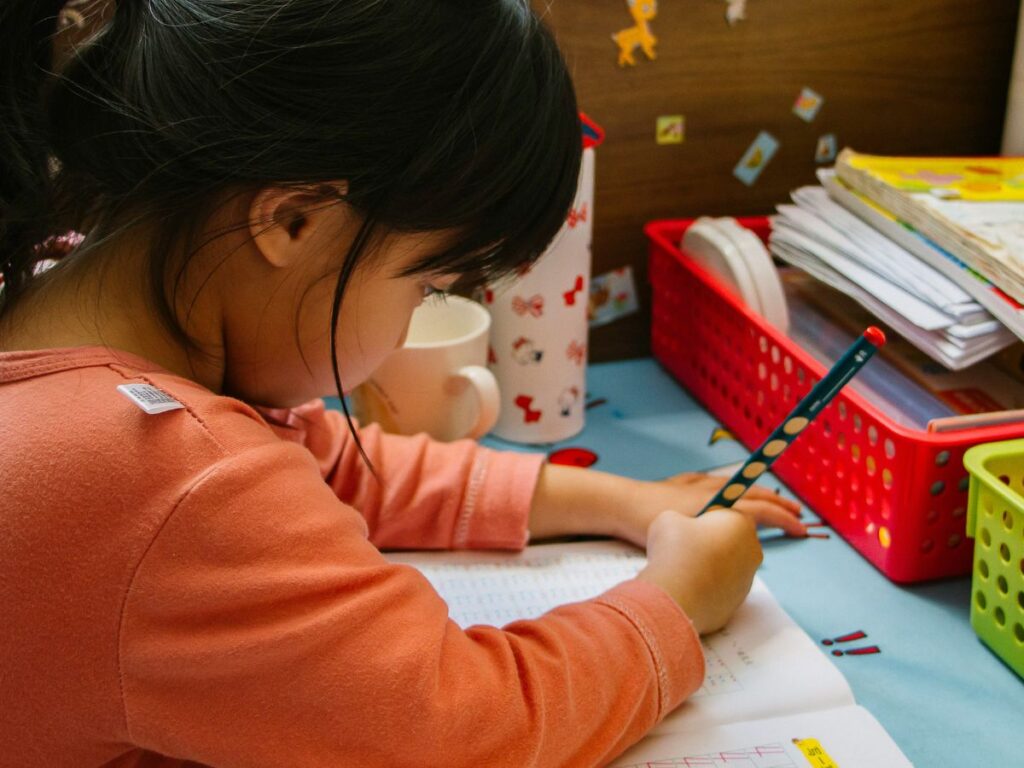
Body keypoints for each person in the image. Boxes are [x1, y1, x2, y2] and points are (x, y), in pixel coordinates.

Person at [0, 2, 805, 766]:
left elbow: (325, 463)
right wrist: (676, 603)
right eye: (428, 287)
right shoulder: (169, 476)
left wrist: (616, 502)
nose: (409, 328)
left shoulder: (59, 282)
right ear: (290, 221)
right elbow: (460, 730)